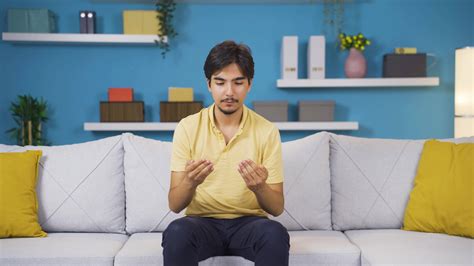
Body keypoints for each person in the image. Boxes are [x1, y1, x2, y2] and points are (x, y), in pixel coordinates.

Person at [162, 40, 289, 266]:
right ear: (209, 84)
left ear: (249, 84)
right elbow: (174, 205)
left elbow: (277, 208)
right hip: (201, 223)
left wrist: (259, 187)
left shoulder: (267, 131)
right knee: (177, 232)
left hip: (250, 224)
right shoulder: (187, 127)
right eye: (220, 82)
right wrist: (190, 182)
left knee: (275, 234)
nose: (229, 92)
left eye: (238, 82)